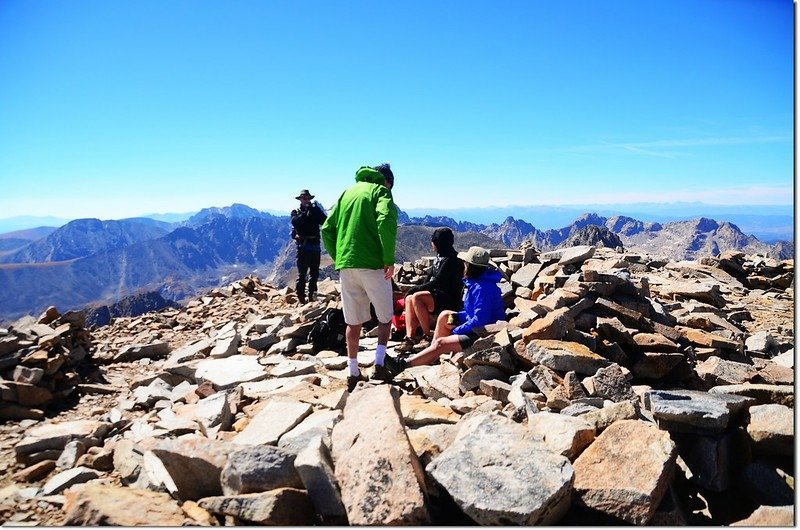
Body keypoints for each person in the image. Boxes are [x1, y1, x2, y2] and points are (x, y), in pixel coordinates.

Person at [320, 163, 398, 392]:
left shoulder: (347, 193)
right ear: (386, 181)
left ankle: (352, 371)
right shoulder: (380, 191)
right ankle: (379, 365)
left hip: (347, 265)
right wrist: (388, 259)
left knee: (352, 321)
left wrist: (339, 256)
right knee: (385, 317)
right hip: (373, 265)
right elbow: (386, 221)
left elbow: (326, 228)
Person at [382, 246, 506, 378]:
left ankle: (402, 365)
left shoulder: (482, 288)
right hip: (478, 325)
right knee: (445, 316)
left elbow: (481, 320)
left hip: (485, 333)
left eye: (466, 264)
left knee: (442, 343)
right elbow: (472, 313)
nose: (463, 266)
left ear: (471, 266)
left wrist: (457, 330)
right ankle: (432, 354)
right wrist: (456, 319)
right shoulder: (476, 283)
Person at [395, 227, 464, 353]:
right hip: (437, 295)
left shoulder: (452, 260)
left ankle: (426, 336)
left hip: (449, 298)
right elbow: (428, 279)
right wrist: (415, 290)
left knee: (417, 297)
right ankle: (410, 337)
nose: (431, 244)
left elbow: (438, 281)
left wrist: (415, 289)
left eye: (433, 241)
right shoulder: (440, 257)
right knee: (411, 298)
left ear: (438, 243)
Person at [291, 189, 327, 304]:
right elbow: (295, 223)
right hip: (303, 246)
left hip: (315, 245)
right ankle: (301, 297)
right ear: (300, 199)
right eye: (304, 198)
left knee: (314, 273)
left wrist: (316, 210)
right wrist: (306, 212)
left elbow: (324, 221)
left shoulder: (314, 210)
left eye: (308, 198)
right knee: (302, 274)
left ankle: (312, 296)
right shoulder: (296, 212)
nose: (306, 200)